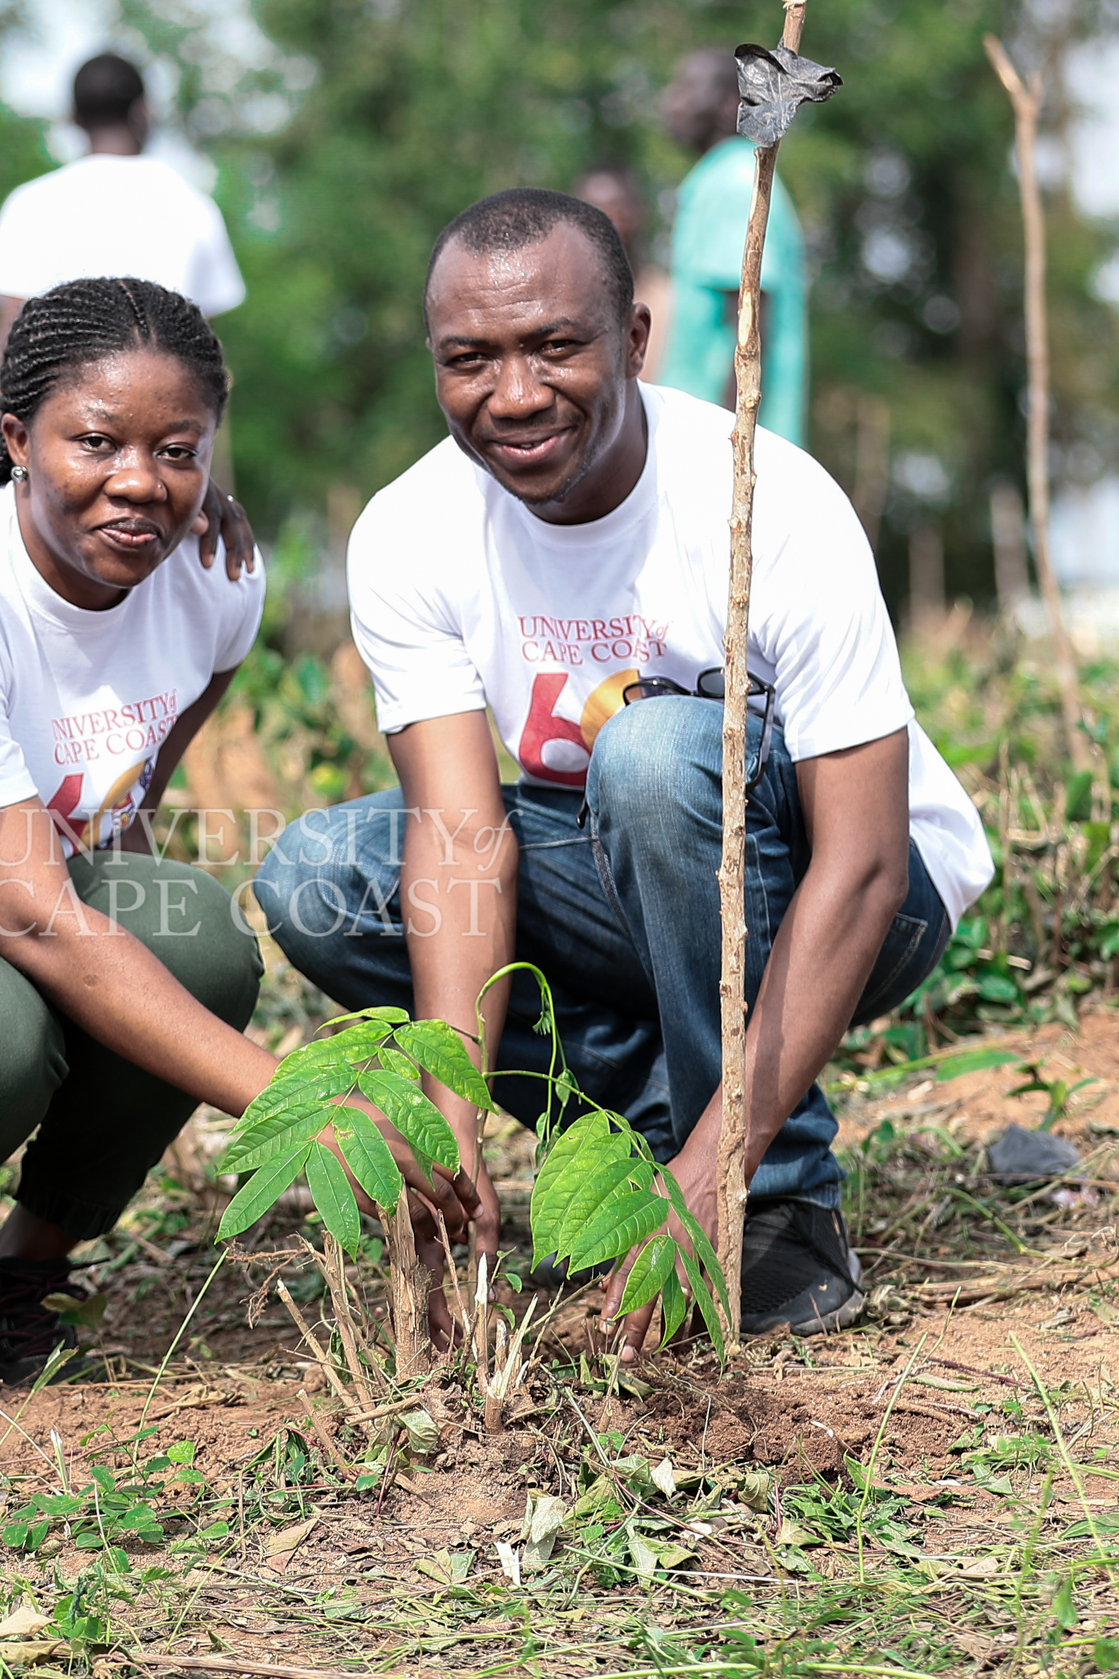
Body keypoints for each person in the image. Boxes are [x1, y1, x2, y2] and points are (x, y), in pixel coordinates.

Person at [253, 191, 992, 1349]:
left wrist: (722, 1172)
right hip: (632, 881)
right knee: (317, 876)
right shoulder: (410, 530)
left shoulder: (766, 497)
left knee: (651, 757)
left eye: (555, 346)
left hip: (852, 897)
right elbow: (459, 838)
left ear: (635, 341)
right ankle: (656, 1134)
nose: (514, 395)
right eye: (471, 359)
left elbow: (864, 863)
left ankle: (773, 1197)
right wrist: (452, 1134)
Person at [0, 277, 448, 1440]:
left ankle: (17, 1276)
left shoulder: (215, 578)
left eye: (176, 450)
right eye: (96, 442)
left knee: (192, 935)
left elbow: (122, 811)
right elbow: (26, 911)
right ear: (16, 437)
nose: (140, 481)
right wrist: (300, 1113)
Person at [0, 55, 245, 449]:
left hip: (56, 438)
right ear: (142, 111)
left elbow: (7, 341)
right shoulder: (192, 207)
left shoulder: (32, 203)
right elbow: (203, 357)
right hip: (156, 443)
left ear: (73, 117)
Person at [654, 51, 809, 446]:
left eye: (688, 88)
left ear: (729, 105)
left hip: (721, 443)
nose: (671, 101)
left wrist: (727, 445)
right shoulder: (715, 178)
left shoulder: (736, 181)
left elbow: (749, 325)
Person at [572, 162, 671, 380]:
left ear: (637, 212)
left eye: (618, 209)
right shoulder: (564, 305)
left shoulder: (669, 299)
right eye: (592, 213)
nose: (608, 223)